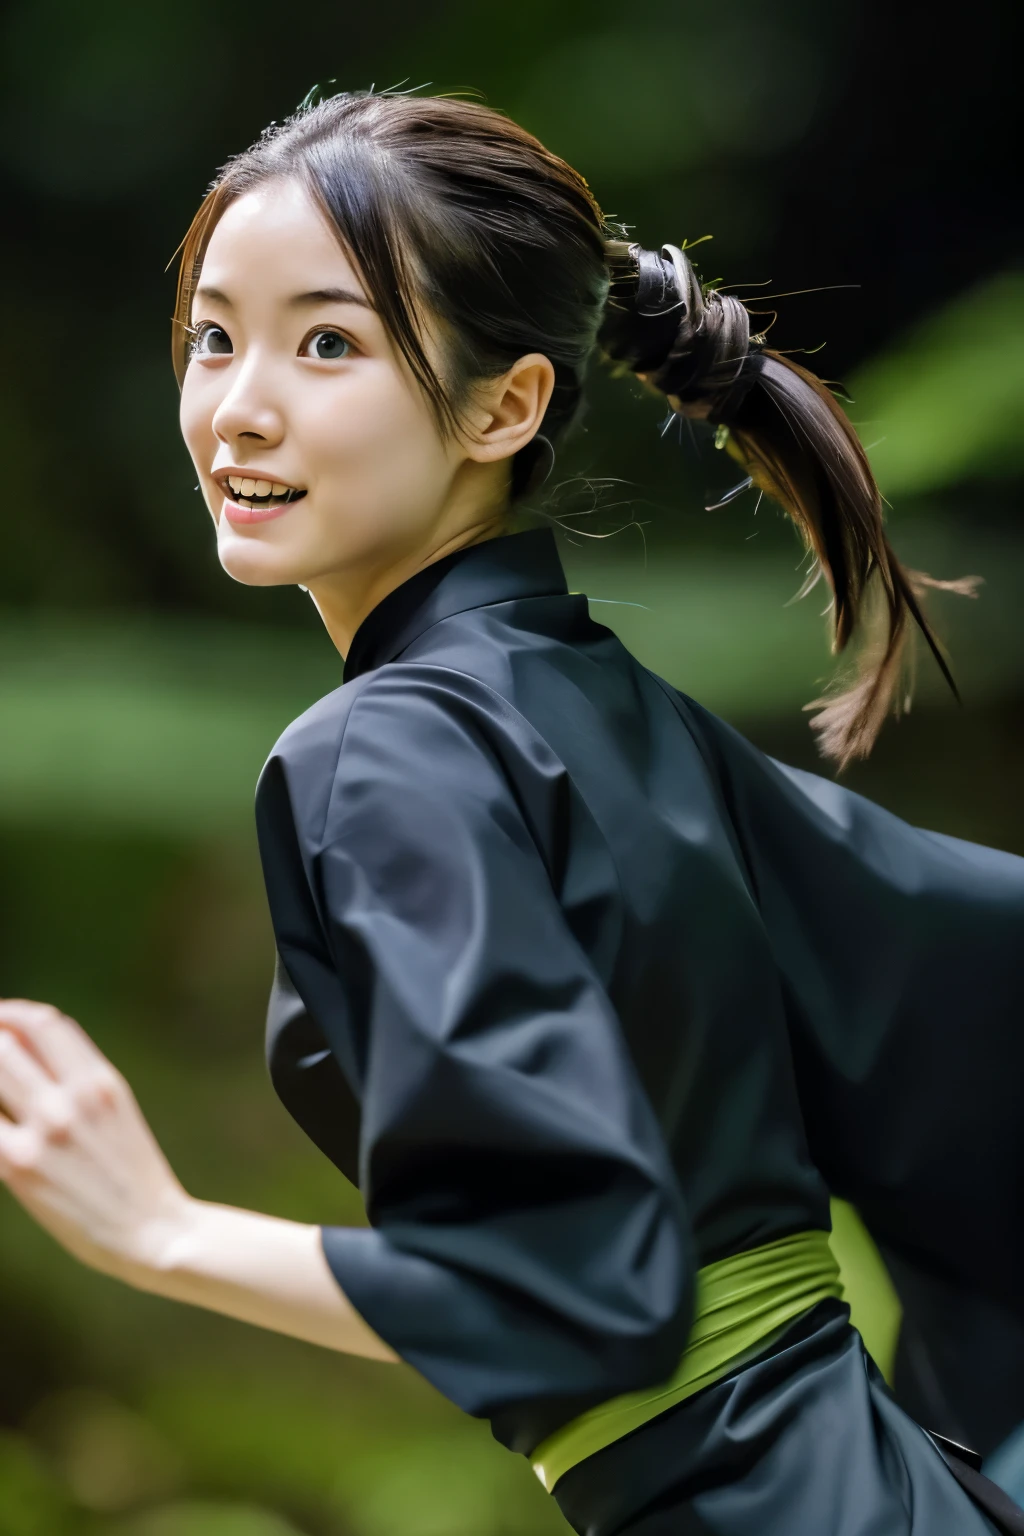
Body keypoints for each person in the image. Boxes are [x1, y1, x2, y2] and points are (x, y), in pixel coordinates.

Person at [0, 91, 1022, 1536]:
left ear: (506, 404)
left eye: (329, 342)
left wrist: (163, 1234)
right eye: (217, 336)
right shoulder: (607, 713)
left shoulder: (386, 751)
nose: (240, 403)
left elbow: (575, 1297)